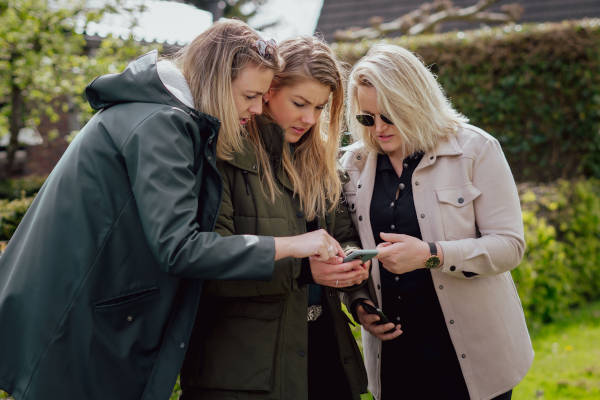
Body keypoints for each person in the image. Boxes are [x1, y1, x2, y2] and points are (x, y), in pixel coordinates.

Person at [0, 20, 344, 400]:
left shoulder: (157, 114)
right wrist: (294, 246)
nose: (256, 108)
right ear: (214, 79)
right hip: (72, 324)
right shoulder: (164, 124)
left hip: (73, 319)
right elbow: (180, 247)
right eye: (249, 95)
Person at [340, 44, 534, 400]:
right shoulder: (350, 166)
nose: (378, 129)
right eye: (367, 119)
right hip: (394, 358)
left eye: (390, 116)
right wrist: (357, 302)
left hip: (473, 357)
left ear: (415, 102)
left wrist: (431, 255)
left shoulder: (475, 149)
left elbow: (509, 246)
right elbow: (346, 243)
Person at [180, 37, 369, 400]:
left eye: (320, 107)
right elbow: (204, 267)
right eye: (299, 103)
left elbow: (343, 234)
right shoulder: (224, 155)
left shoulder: (315, 160)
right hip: (244, 372)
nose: (310, 119)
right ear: (268, 91)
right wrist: (303, 271)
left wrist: (352, 273)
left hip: (325, 354)